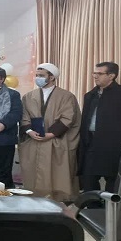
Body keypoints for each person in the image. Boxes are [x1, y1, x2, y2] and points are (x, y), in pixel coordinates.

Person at [19, 63, 81, 201]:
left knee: (57, 174)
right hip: (34, 141)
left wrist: (50, 134)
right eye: (36, 75)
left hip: (56, 141)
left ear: (52, 77)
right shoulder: (28, 96)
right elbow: (24, 116)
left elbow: (68, 117)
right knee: (33, 175)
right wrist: (29, 131)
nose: (38, 78)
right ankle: (34, 201)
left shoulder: (66, 96)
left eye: (41, 75)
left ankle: (58, 201)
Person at [79, 62, 121, 193]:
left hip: (114, 146)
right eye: (94, 73)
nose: (95, 76)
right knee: (88, 181)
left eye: (99, 73)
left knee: (114, 183)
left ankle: (109, 206)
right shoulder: (90, 95)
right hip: (91, 144)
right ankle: (92, 205)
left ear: (111, 76)